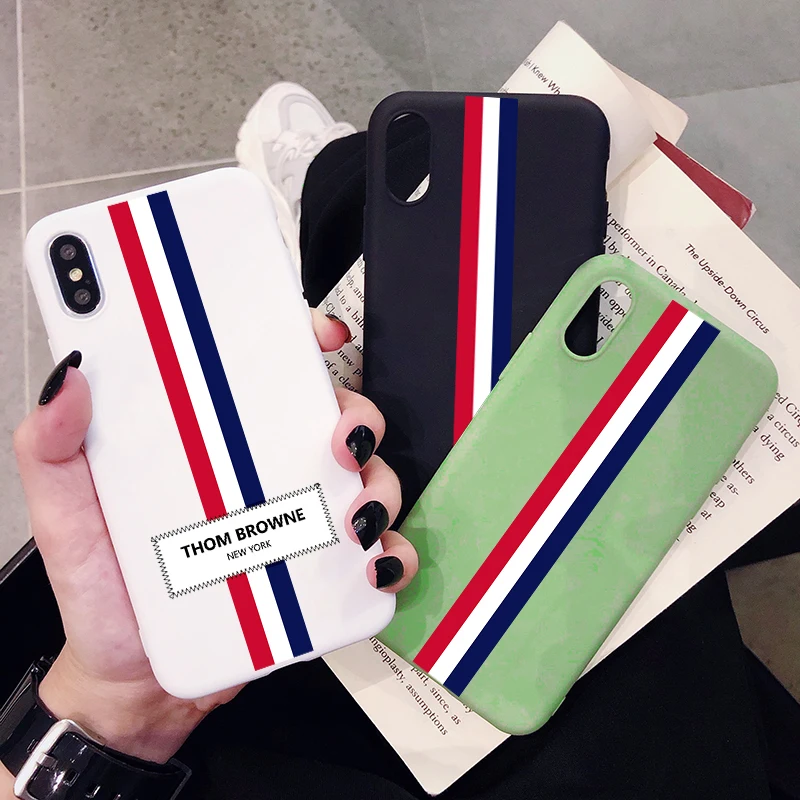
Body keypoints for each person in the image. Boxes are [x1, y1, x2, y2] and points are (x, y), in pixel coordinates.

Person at [1, 82, 799, 800]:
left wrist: (114, 704)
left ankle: (333, 191)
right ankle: (335, 188)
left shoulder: (151, 672)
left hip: (240, 729)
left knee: (364, 296)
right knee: (368, 242)